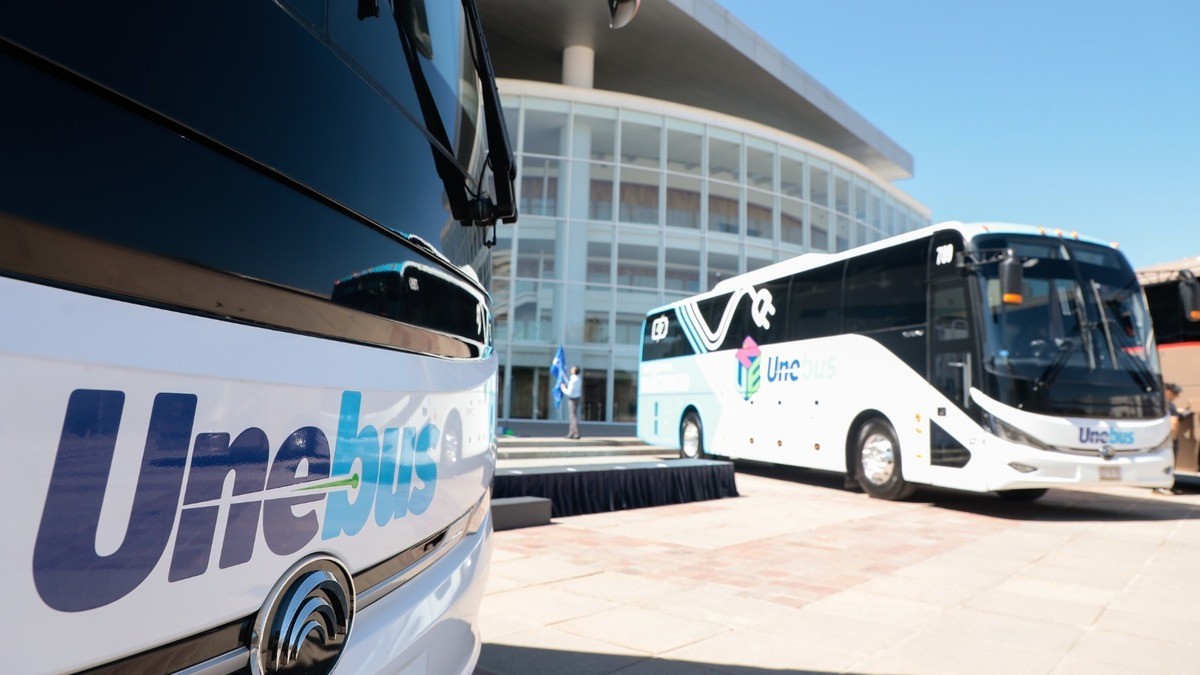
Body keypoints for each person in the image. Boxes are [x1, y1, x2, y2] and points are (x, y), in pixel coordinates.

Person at [1154, 382, 1185, 495]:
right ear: (1168, 392)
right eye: (1175, 394)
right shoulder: (1169, 404)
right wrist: (1172, 439)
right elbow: (1174, 423)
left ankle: (1159, 486)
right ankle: (1162, 487)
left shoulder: (1157, 403)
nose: (1175, 397)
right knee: (1169, 463)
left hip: (1159, 439)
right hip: (1168, 439)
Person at [560, 365, 582, 439]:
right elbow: (569, 382)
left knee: (573, 416)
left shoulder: (574, 380)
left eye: (572, 368)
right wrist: (564, 377)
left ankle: (576, 433)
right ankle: (571, 432)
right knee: (572, 416)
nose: (571, 369)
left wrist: (563, 388)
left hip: (573, 399)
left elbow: (569, 392)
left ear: (574, 371)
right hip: (576, 398)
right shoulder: (577, 378)